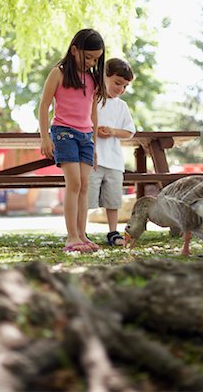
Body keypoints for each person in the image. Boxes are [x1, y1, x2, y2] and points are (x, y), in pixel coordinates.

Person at [38, 29, 107, 252]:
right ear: (74, 50)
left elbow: (93, 114)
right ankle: (71, 237)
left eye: (96, 59)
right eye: (88, 57)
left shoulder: (92, 79)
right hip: (64, 132)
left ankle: (82, 235)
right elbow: (44, 106)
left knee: (86, 185)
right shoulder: (58, 74)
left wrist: (94, 144)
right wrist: (45, 137)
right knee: (74, 183)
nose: (91, 63)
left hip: (86, 136)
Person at [88, 58, 135, 246]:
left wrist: (113, 131)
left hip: (114, 161)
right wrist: (95, 129)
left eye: (125, 86)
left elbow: (129, 131)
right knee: (87, 197)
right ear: (103, 76)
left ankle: (113, 232)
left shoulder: (121, 106)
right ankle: (81, 232)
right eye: (117, 83)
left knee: (113, 200)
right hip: (91, 159)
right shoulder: (91, 99)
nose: (120, 89)